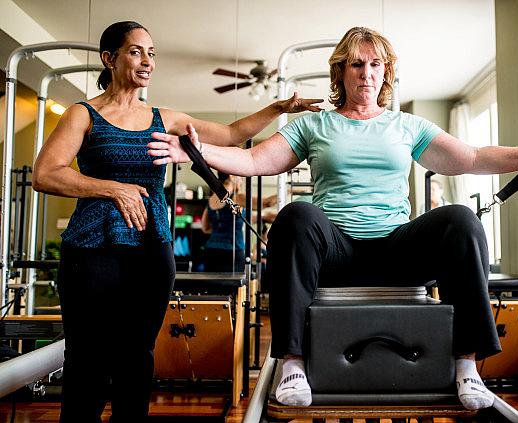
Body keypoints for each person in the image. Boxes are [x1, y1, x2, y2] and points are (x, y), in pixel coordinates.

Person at [148, 26, 518, 410]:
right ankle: (293, 364)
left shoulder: (407, 126)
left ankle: (465, 363)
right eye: (357, 64)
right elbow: (258, 160)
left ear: (387, 73)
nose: (366, 73)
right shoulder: (315, 125)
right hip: (333, 252)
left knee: (460, 219)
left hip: (396, 250)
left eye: (375, 64)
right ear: (341, 71)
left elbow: (472, 157)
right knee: (295, 215)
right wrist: (197, 150)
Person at [31, 20, 321, 423]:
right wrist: (113, 188)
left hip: (151, 250)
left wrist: (279, 108)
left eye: (151, 53)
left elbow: (232, 133)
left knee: (137, 359)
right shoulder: (84, 115)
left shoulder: (162, 117)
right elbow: (45, 174)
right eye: (136, 51)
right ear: (109, 58)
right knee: (88, 362)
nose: (147, 60)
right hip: (91, 251)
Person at [201, 172, 277, 272]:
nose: (241, 181)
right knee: (234, 287)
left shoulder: (211, 199)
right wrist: (288, 190)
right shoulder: (236, 197)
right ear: (232, 177)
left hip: (211, 251)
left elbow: (205, 228)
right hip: (232, 252)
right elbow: (267, 203)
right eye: (240, 178)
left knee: (214, 287)